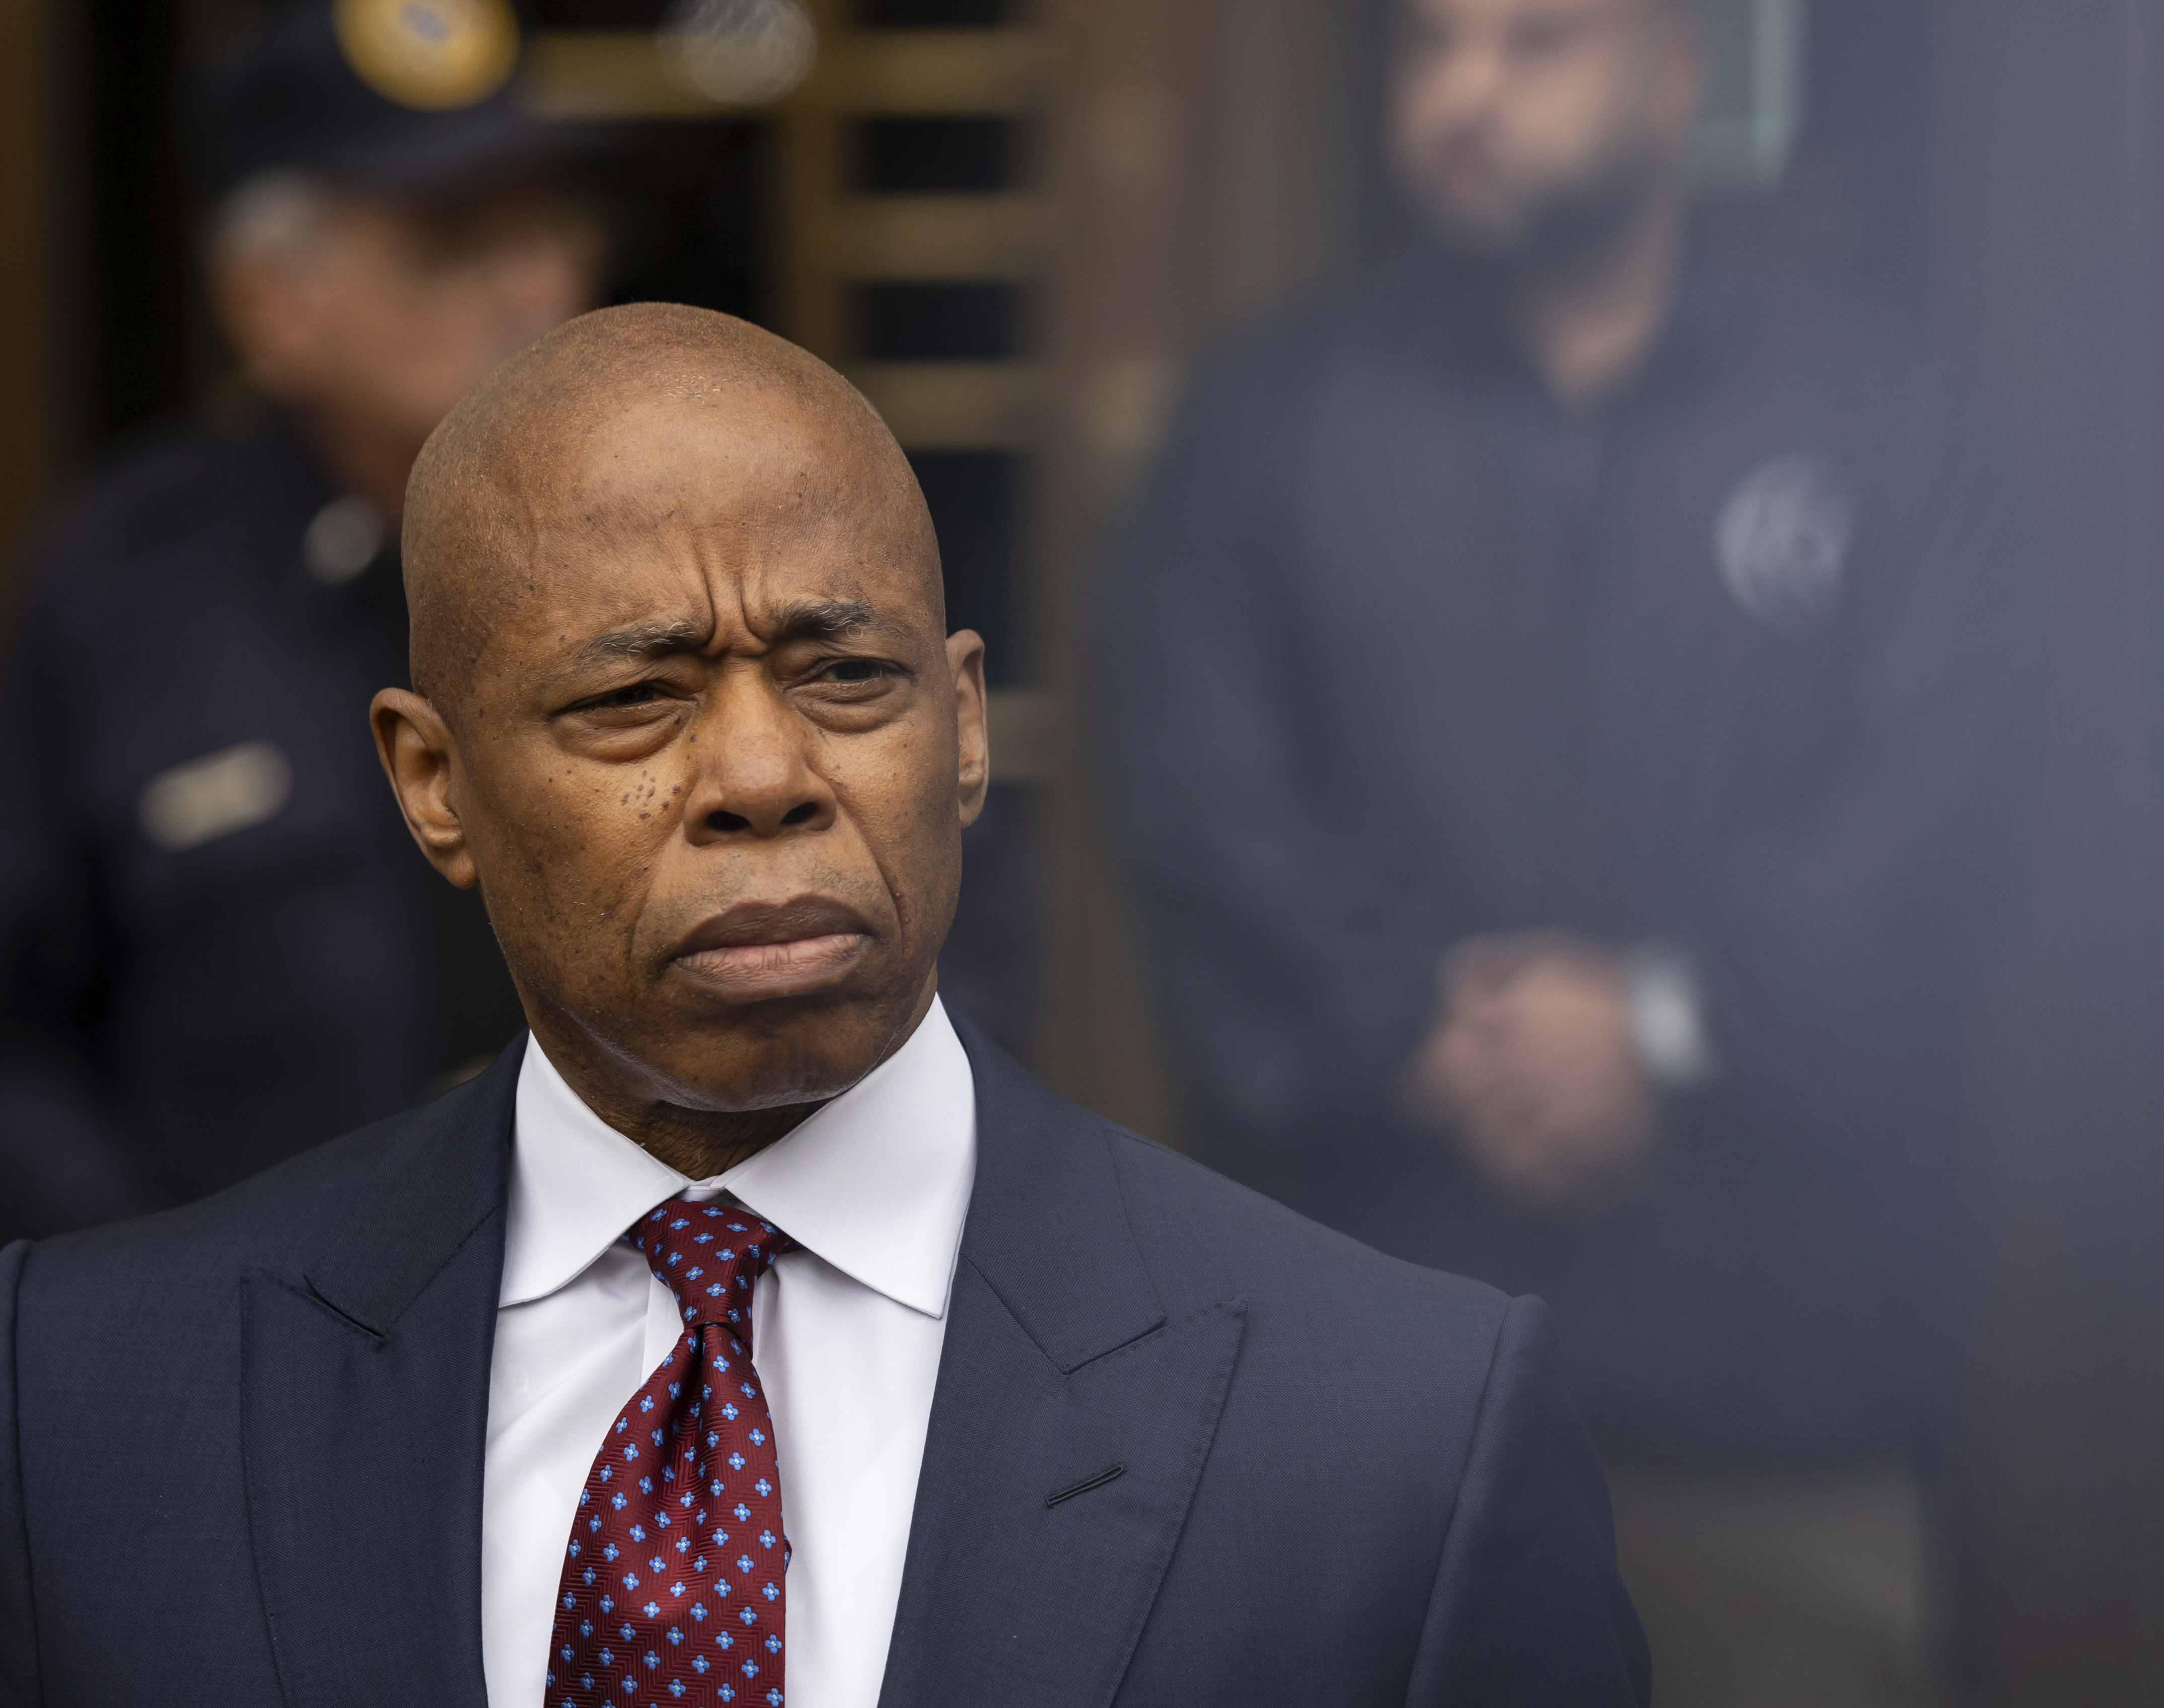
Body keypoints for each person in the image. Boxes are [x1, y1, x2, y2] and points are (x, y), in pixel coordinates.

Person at [0, 304, 1648, 1706]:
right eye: (634, 700)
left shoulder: (1401, 1441)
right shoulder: (83, 1399)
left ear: (966, 724)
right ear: (432, 784)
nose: (762, 775)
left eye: (844, 677)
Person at [1098, 0, 2039, 1694]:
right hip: (1356, 1439)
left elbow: (1944, 809)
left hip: (1774, 1412)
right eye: (1429, 47)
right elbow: (1196, 788)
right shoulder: (1267, 421)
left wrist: (1666, 1029)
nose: (1464, 91)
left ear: (1674, 74)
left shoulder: (1881, 426)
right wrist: (1417, 1027)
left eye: (1534, 44)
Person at [0, 0, 596, 1240]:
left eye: (536, 222)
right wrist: (152, 1306)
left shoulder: (690, 529)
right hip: (252, 1358)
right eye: (445, 245)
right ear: (275, 300)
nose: (527, 289)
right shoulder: (124, 597)